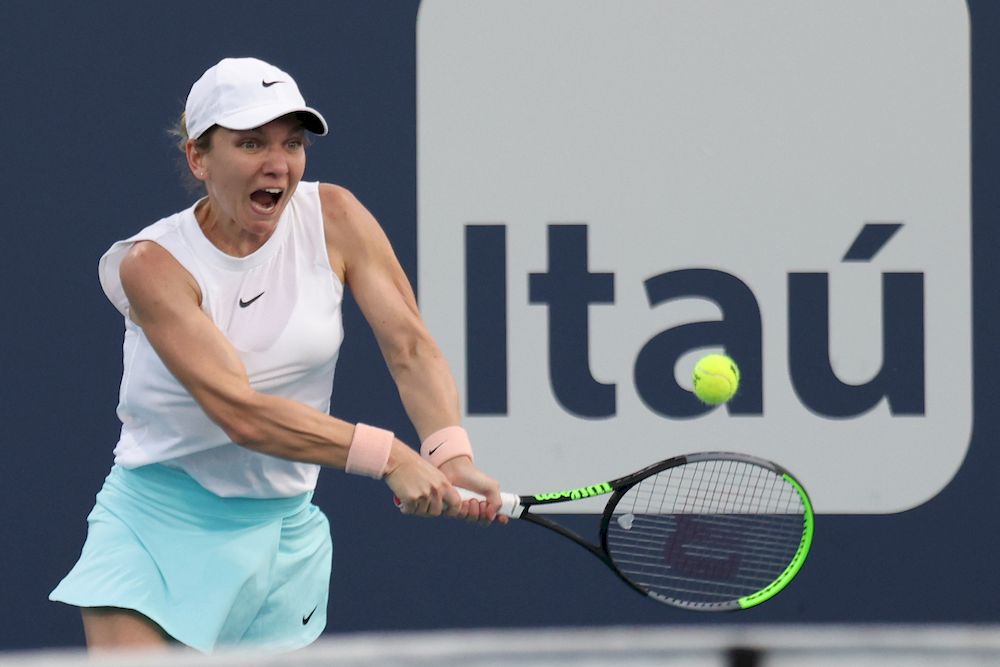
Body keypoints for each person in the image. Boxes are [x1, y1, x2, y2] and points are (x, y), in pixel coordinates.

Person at [50, 57, 504, 654]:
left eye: (292, 143)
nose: (278, 163)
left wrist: (449, 452)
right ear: (198, 157)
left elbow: (410, 345)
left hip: (282, 533)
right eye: (251, 143)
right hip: (153, 531)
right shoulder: (153, 265)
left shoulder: (335, 216)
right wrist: (390, 456)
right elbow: (240, 413)